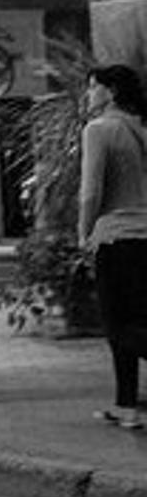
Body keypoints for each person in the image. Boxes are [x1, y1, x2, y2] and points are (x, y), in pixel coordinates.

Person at [79, 64, 147, 430]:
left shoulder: (100, 130)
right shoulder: (142, 127)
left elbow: (91, 190)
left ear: (111, 91)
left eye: (93, 88)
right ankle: (125, 405)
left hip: (116, 235)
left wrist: (83, 231)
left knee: (118, 325)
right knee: (136, 319)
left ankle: (128, 404)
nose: (89, 95)